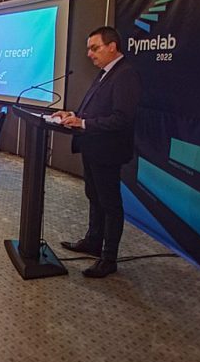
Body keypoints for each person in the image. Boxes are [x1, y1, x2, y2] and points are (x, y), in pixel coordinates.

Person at [52, 26, 141, 278]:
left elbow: (122, 119)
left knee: (110, 203)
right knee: (94, 195)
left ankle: (109, 258)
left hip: (108, 151)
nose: (89, 54)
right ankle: (93, 241)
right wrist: (73, 115)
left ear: (112, 46)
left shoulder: (126, 74)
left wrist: (83, 123)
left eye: (95, 48)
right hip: (93, 147)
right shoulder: (106, 73)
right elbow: (97, 110)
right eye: (89, 49)